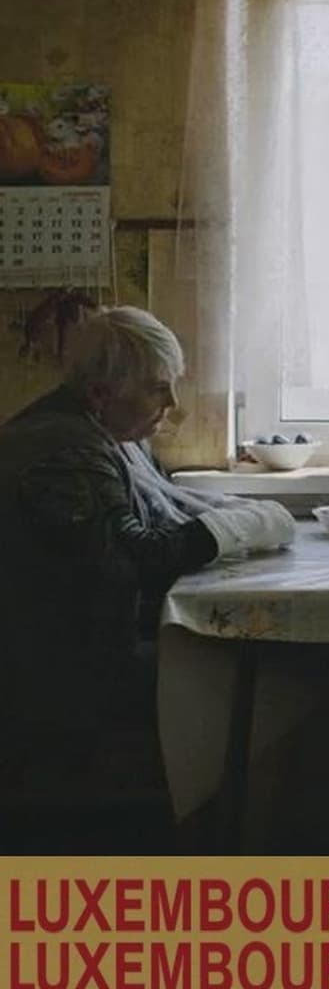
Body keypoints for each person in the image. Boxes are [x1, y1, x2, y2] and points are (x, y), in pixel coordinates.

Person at [0, 305, 296, 790]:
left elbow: (164, 515)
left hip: (82, 647)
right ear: (101, 392)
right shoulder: (65, 452)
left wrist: (242, 521)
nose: (173, 402)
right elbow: (138, 560)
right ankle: (218, 819)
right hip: (62, 674)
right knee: (271, 673)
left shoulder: (107, 433)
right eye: (158, 388)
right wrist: (243, 526)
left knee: (261, 661)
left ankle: (222, 812)